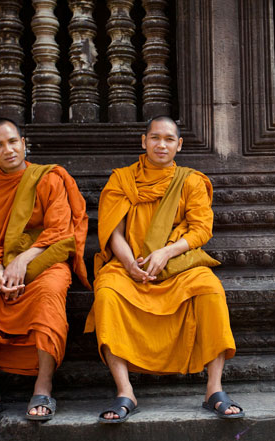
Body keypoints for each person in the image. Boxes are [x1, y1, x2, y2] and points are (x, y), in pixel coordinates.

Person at [85, 115, 244, 422]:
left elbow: (201, 230)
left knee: (211, 290)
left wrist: (167, 252)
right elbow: (113, 233)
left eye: (169, 139)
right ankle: (125, 392)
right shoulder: (121, 180)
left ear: (179, 145)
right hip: (131, 264)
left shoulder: (191, 181)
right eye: (155, 138)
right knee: (105, 293)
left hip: (178, 265)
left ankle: (214, 389)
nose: (161, 144)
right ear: (143, 141)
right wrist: (130, 264)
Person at [0, 118, 90, 423]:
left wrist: (22, 261)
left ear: (24, 143)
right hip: (3, 262)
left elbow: (61, 231)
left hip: (47, 259)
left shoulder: (49, 178)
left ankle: (43, 386)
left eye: (13, 142)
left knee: (49, 294)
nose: (8, 149)